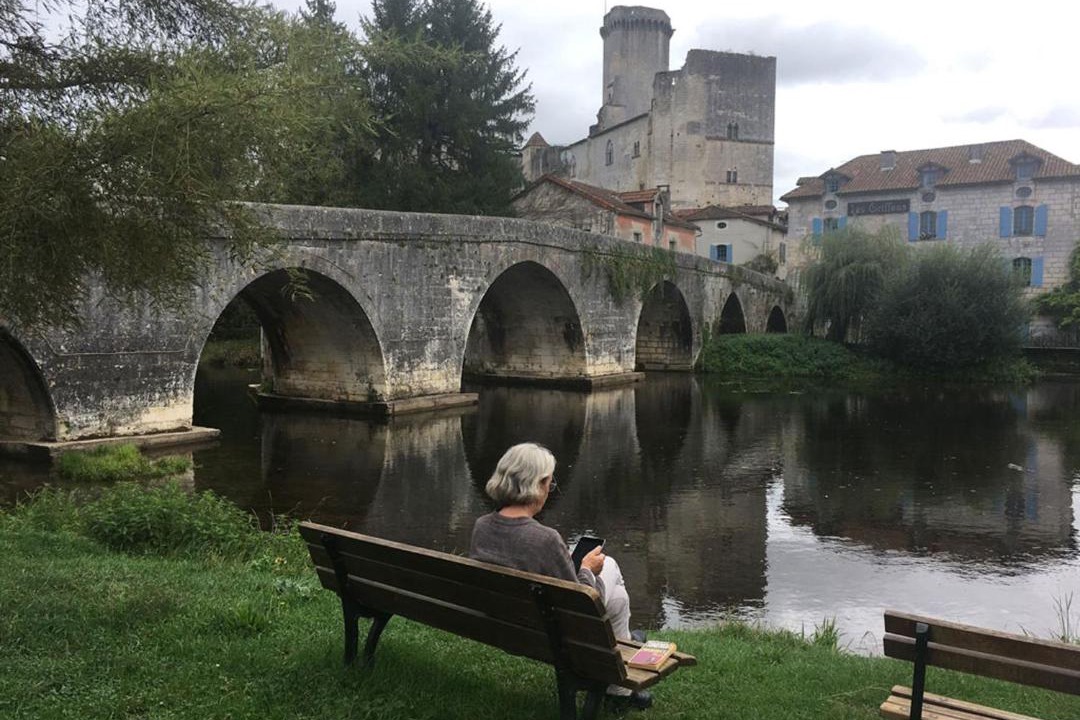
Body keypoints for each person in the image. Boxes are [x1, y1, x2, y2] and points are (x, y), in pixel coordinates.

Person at [469, 442, 652, 711]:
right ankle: (618, 685)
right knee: (609, 566)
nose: (549, 490)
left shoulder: (482, 526)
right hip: (553, 636)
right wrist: (588, 568)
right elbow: (584, 602)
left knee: (616, 596)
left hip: (505, 626)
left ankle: (621, 652)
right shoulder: (544, 539)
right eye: (549, 484)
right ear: (539, 484)